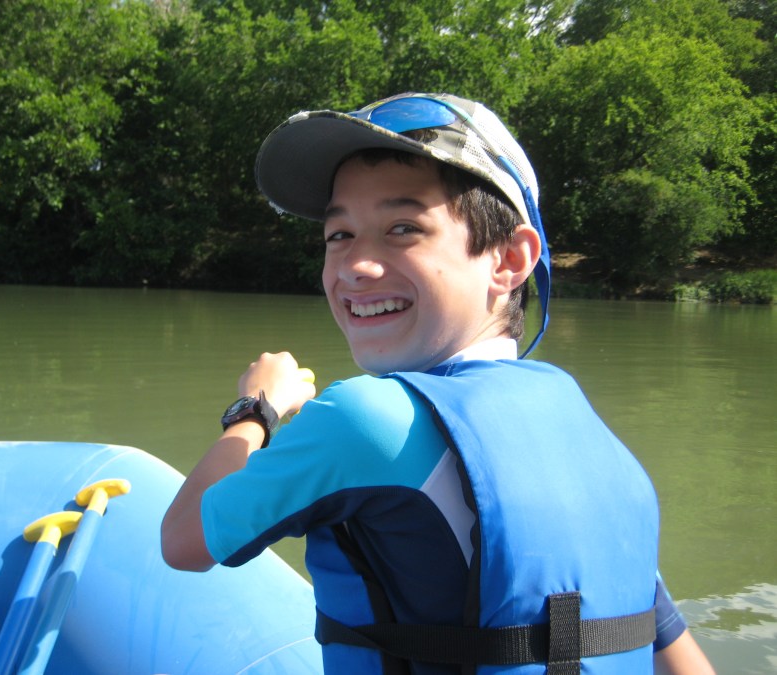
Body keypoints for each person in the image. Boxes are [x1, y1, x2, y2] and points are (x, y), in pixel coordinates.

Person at [161, 93, 714, 674]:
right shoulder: (589, 431)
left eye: (403, 228)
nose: (355, 266)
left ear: (508, 259)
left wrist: (256, 410)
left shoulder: (366, 418)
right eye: (339, 234)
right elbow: (678, 654)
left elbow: (183, 542)